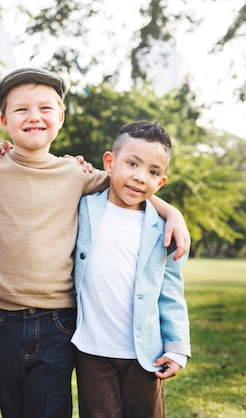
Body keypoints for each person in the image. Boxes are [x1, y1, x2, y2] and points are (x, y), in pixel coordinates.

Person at [0, 67, 190, 417]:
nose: (34, 117)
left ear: (60, 116)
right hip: (1, 320)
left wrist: (171, 212)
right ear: (3, 119)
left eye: (45, 108)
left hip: (59, 319)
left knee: (51, 409)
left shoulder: (75, 174)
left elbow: (131, 185)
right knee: (11, 408)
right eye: (21, 109)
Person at [72, 121, 190, 418]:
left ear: (161, 183)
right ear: (109, 163)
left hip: (146, 353)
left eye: (152, 172)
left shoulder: (164, 229)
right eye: (132, 163)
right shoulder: (83, 207)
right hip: (92, 349)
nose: (140, 177)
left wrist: (177, 348)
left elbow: (171, 294)